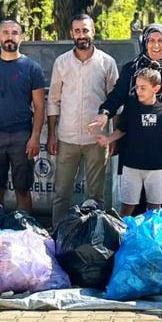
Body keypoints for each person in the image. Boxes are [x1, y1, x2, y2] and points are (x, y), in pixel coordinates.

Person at [90, 23, 162, 213]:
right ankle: (130, 240)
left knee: (157, 202)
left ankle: (151, 241)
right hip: (134, 147)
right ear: (144, 42)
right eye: (151, 40)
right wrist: (105, 113)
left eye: (160, 40)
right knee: (133, 204)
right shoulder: (131, 69)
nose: (156, 45)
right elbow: (117, 96)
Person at [46, 14, 118, 221]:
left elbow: (115, 101)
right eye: (77, 30)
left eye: (85, 30)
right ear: (71, 33)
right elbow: (54, 100)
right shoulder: (62, 63)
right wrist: (52, 135)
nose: (81, 34)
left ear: (93, 32)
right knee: (62, 194)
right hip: (67, 139)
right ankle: (59, 235)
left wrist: (113, 138)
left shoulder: (107, 63)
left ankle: (95, 235)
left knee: (96, 195)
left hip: (97, 139)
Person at [0, 20, 46, 212]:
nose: (10, 36)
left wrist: (35, 137)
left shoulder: (32, 68)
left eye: (14, 33)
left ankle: (25, 233)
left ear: (21, 37)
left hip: (22, 135)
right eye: (5, 32)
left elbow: (39, 106)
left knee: (23, 189)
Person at [94, 68, 162, 216]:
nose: (139, 91)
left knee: (155, 209)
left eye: (143, 88)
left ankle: (150, 237)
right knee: (127, 208)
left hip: (156, 167)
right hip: (132, 166)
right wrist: (108, 139)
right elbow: (123, 130)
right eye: (137, 87)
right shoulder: (130, 106)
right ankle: (123, 236)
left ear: (156, 88)